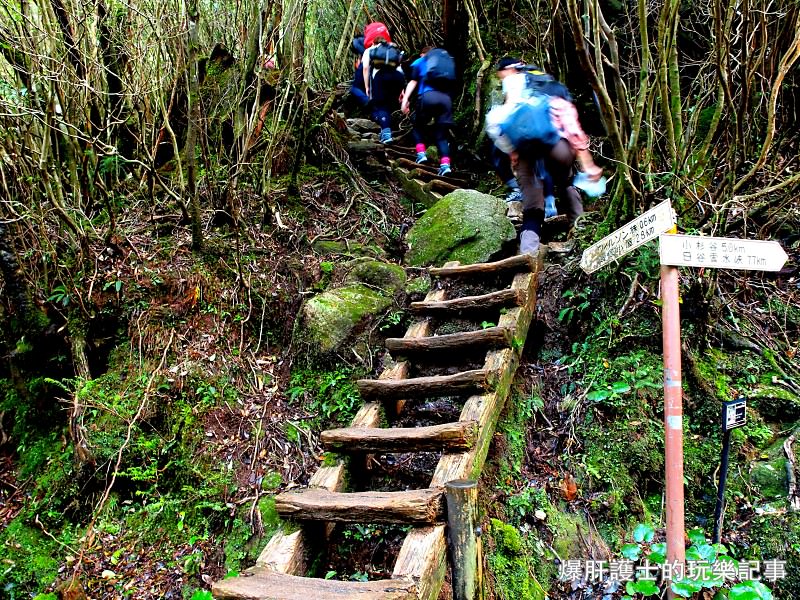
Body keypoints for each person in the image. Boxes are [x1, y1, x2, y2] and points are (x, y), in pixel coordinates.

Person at [487, 57, 601, 254]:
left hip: (526, 153)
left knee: (532, 206)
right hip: (557, 147)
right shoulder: (553, 91)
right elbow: (574, 131)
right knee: (566, 184)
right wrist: (588, 165)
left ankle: (528, 253)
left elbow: (499, 126)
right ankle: (581, 234)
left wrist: (513, 153)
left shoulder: (514, 88)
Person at [400, 47, 455, 177]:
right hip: (446, 100)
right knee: (441, 135)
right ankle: (445, 165)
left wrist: (405, 100)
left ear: (424, 53)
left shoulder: (421, 61)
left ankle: (421, 154)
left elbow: (413, 81)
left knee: (417, 125)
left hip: (428, 96)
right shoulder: (446, 63)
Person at [361, 25, 406, 144]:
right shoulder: (393, 48)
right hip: (398, 77)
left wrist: (367, 87)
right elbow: (399, 68)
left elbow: (365, 68)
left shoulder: (370, 50)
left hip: (381, 77)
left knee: (381, 106)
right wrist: (402, 91)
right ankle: (387, 128)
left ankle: (386, 134)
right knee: (390, 103)